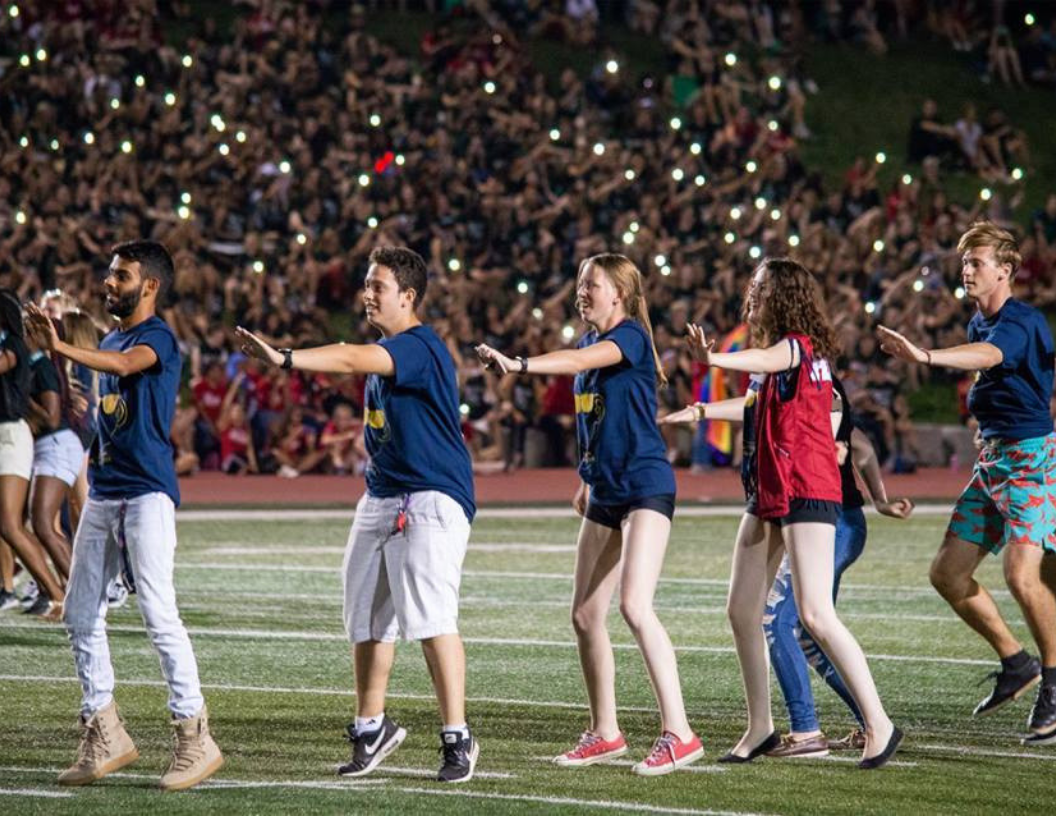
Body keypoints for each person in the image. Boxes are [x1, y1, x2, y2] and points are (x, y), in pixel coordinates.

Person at [236, 246, 480, 783]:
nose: (368, 294)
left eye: (379, 286)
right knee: (366, 615)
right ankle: (372, 727)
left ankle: (458, 736)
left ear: (409, 297)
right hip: (383, 494)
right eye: (367, 284)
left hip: (431, 494)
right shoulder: (392, 348)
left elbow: (349, 357)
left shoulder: (420, 344)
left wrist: (284, 357)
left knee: (432, 619)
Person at [475, 253, 704, 776]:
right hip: (606, 489)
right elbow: (597, 417)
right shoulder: (587, 343)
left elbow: (580, 365)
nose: (582, 291)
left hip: (645, 485)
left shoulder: (628, 338)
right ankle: (605, 731)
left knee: (635, 606)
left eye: (591, 284)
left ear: (618, 294)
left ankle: (680, 732)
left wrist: (521, 364)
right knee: (583, 615)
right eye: (579, 282)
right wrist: (585, 475)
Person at [683, 257, 902, 769]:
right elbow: (755, 399)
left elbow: (771, 359)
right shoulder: (777, 358)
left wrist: (714, 360)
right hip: (771, 490)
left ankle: (879, 721)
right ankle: (760, 727)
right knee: (741, 609)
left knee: (814, 614)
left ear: (785, 296)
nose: (752, 293)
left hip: (806, 488)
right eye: (753, 285)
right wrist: (699, 410)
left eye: (762, 287)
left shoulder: (800, 347)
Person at [24, 241, 223, 790]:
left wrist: (61, 347)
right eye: (110, 274)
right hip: (109, 490)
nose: (109, 283)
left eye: (121, 276)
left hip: (147, 494)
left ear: (150, 286)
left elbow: (121, 365)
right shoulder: (112, 335)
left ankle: (195, 734)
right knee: (79, 612)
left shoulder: (153, 338)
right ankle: (105, 729)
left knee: (159, 613)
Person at [665, 373, 914, 757]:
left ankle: (809, 731)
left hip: (833, 518)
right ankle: (870, 723)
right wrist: (701, 411)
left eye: (756, 308)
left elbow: (853, 445)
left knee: (782, 619)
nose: (749, 312)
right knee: (804, 633)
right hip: (790, 508)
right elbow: (755, 408)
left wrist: (871, 493)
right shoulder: (773, 373)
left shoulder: (810, 374)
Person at [878, 221, 1056, 745]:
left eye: (976, 262)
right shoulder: (980, 321)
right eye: (964, 263)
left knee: (1023, 575)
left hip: (1031, 463)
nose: (967, 270)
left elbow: (990, 356)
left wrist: (927, 356)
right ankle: (1016, 662)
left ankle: (1054, 682)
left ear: (1005, 270)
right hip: (994, 462)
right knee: (948, 575)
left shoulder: (1018, 322)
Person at [0, 289, 65, 620]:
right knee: (6, 524)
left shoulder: (12, 345)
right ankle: (17, 588)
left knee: (11, 525)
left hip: (11, 435)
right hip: (5, 435)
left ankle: (57, 594)